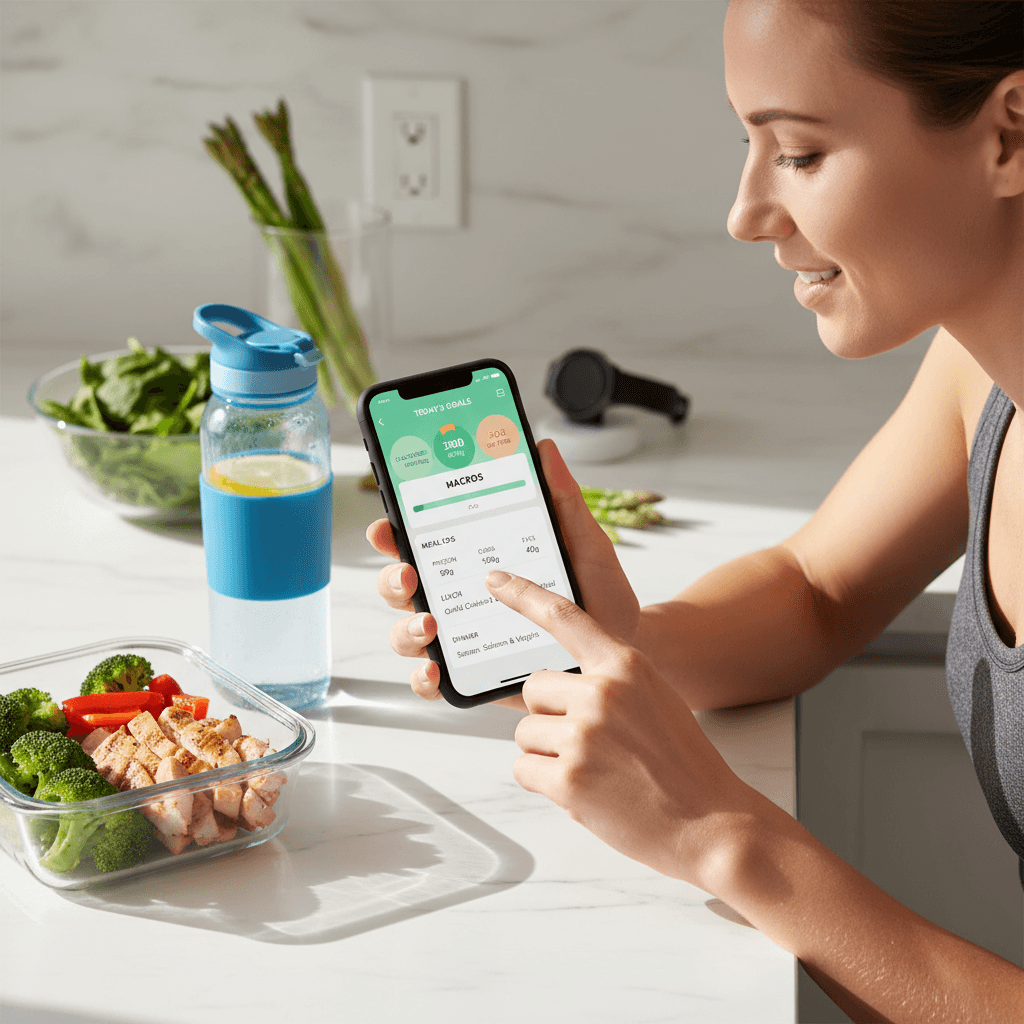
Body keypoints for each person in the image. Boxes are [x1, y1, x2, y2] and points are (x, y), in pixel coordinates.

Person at [366, 1, 1024, 1018]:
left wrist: (724, 836)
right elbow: (819, 589)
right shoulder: (980, 371)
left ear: (1007, 133)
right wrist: (619, 646)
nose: (746, 211)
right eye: (749, 143)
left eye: (799, 152)